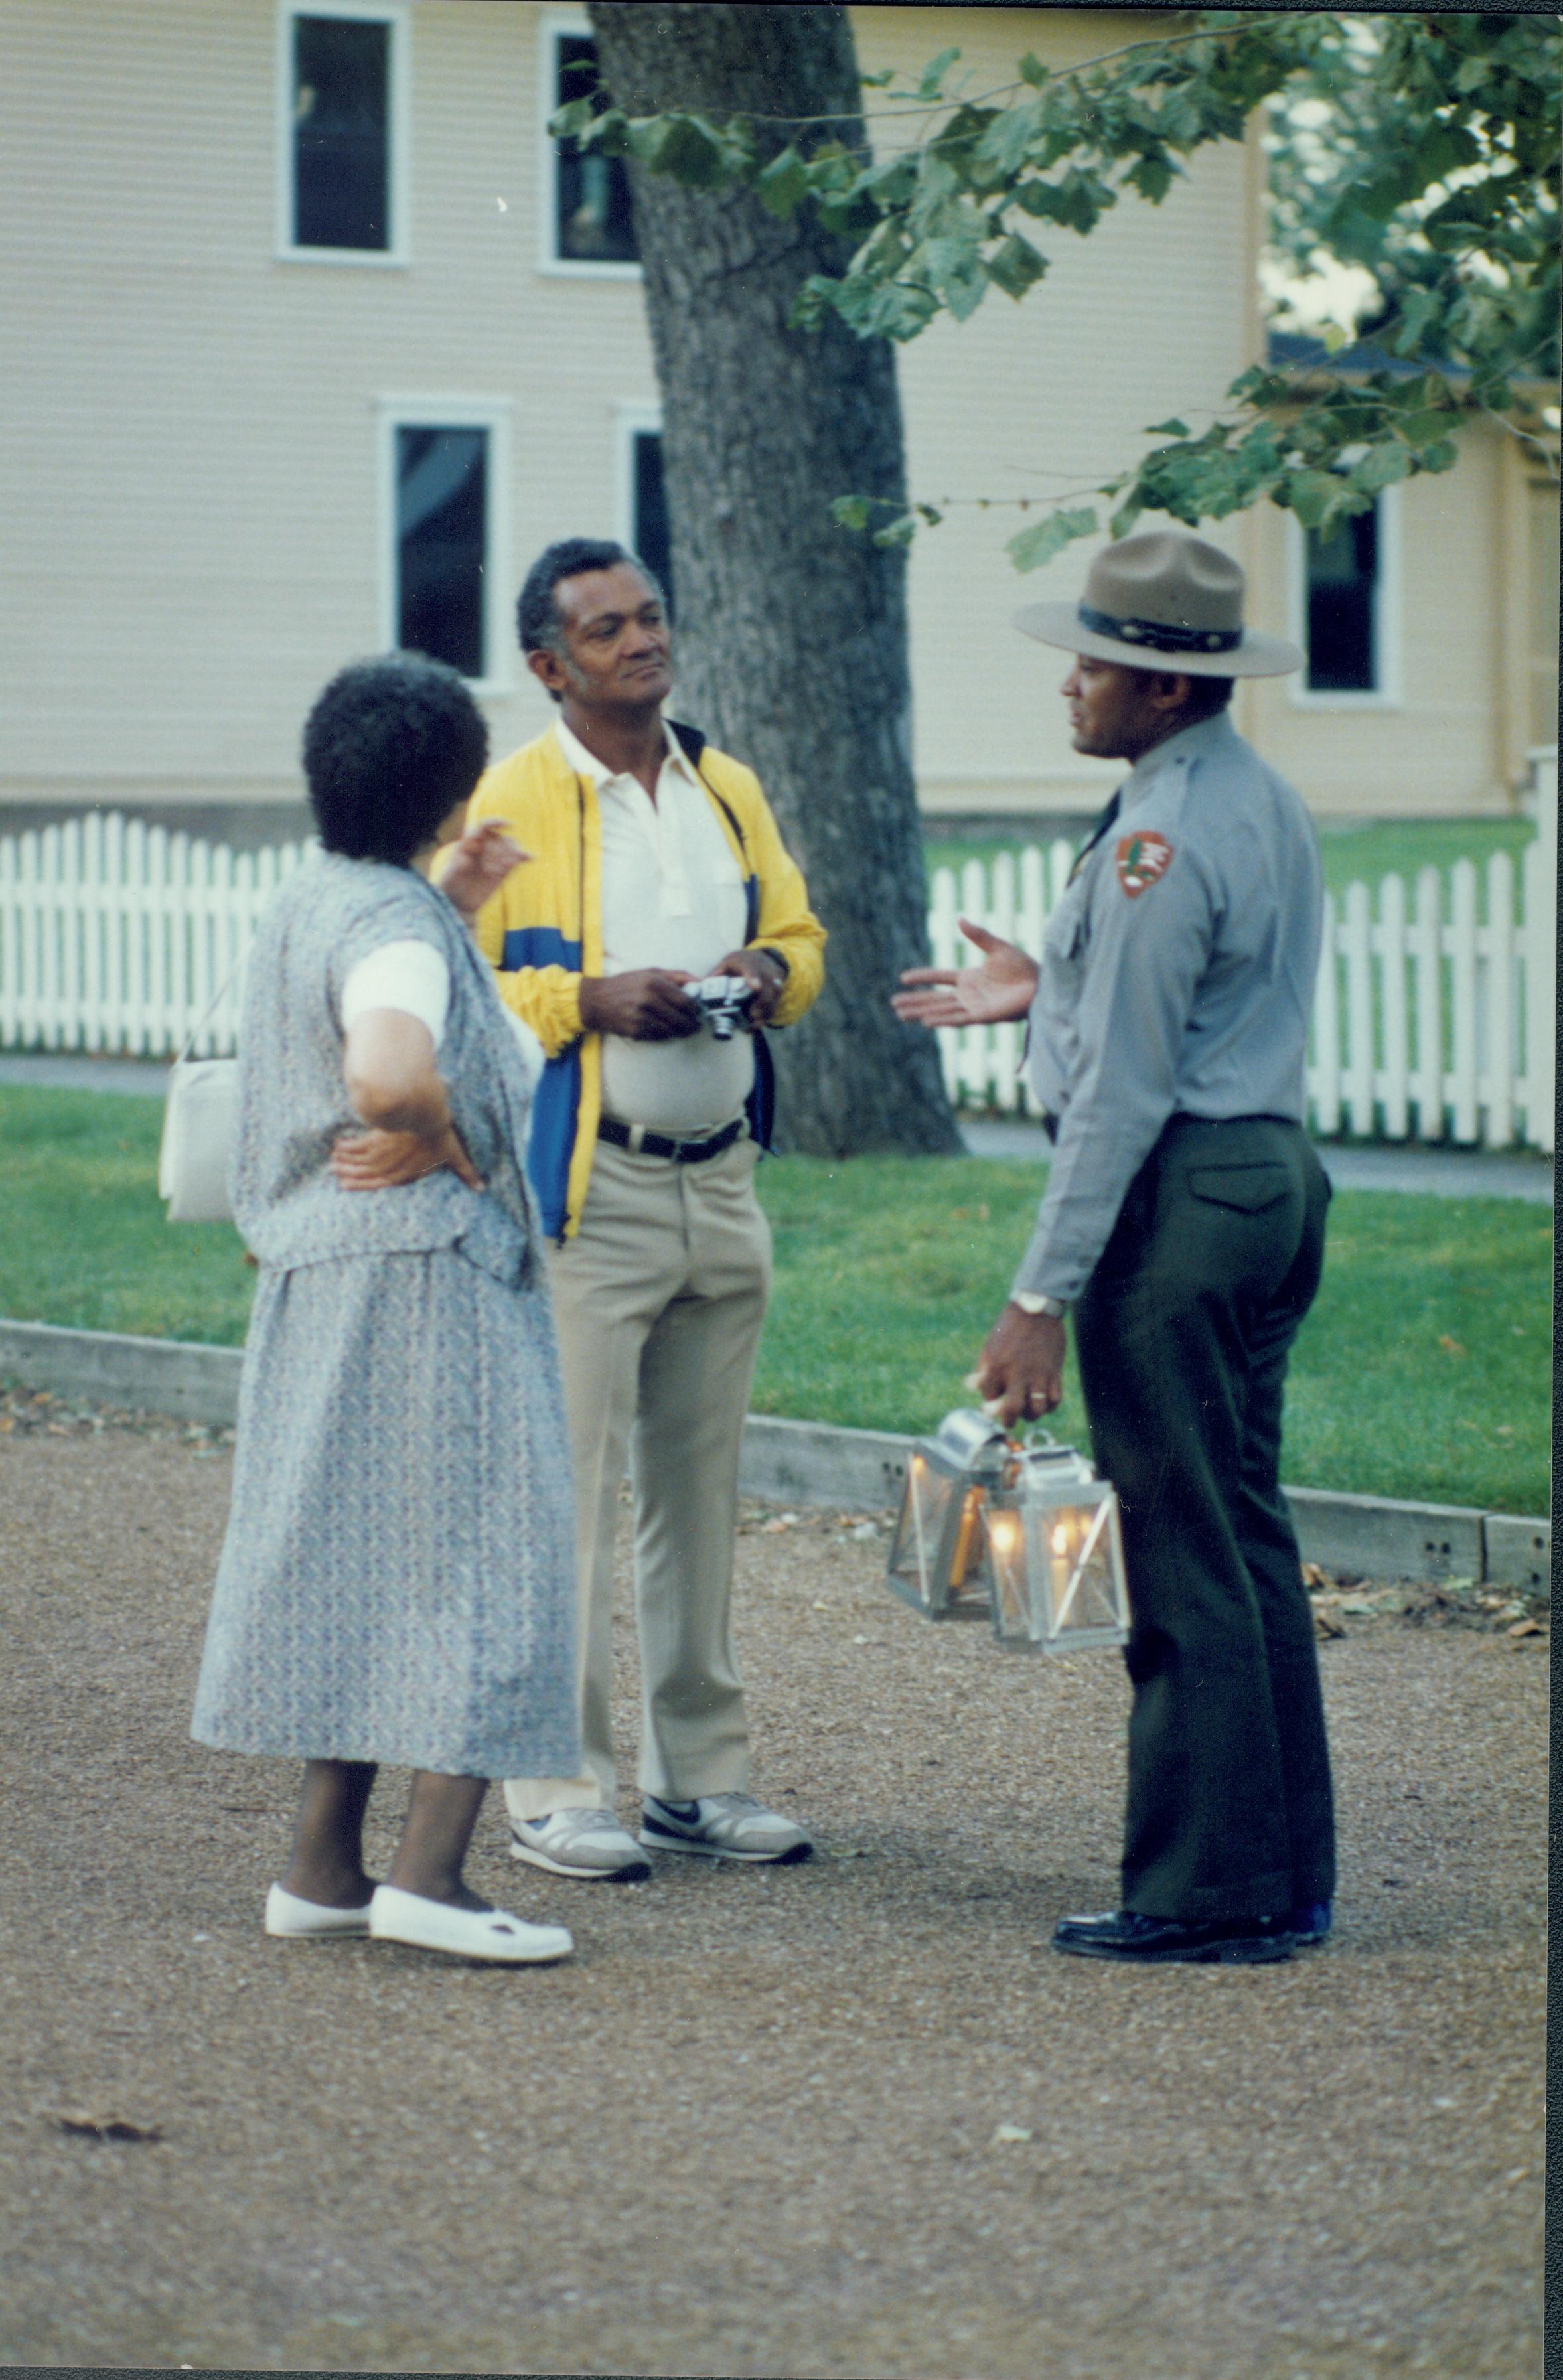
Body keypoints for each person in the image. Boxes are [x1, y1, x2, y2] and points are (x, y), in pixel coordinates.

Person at [895, 530, 1335, 1967]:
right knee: (1242, 1531)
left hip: (1180, 1199)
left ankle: (1203, 1892)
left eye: (1091, 662)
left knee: (1178, 1549)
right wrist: (1050, 982)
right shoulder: (1244, 794)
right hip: (1263, 1174)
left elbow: (1122, 1101)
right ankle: (1280, 1875)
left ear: (1158, 686)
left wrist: (1036, 1298)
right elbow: (1196, 998)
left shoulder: (1155, 837)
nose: (1067, 683)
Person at [429, 538, 828, 1882]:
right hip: (588, 1198)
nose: (640, 641)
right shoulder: (510, 798)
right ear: (549, 665)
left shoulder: (724, 782)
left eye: (649, 615)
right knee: (568, 1502)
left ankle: (697, 1781)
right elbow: (449, 976)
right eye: (605, 630)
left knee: (696, 1495)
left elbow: (808, 941)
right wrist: (585, 1000)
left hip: (723, 1180)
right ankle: (556, 1786)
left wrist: (768, 970)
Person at [191, 652, 581, 1965]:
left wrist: (448, 894)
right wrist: (452, 1138)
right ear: (451, 782)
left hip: (329, 1276)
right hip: (430, 1279)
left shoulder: (329, 894)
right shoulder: (393, 928)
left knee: (359, 1559)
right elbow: (386, 1063)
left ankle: (321, 1867)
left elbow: (384, 977)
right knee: (484, 1556)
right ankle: (431, 1878)